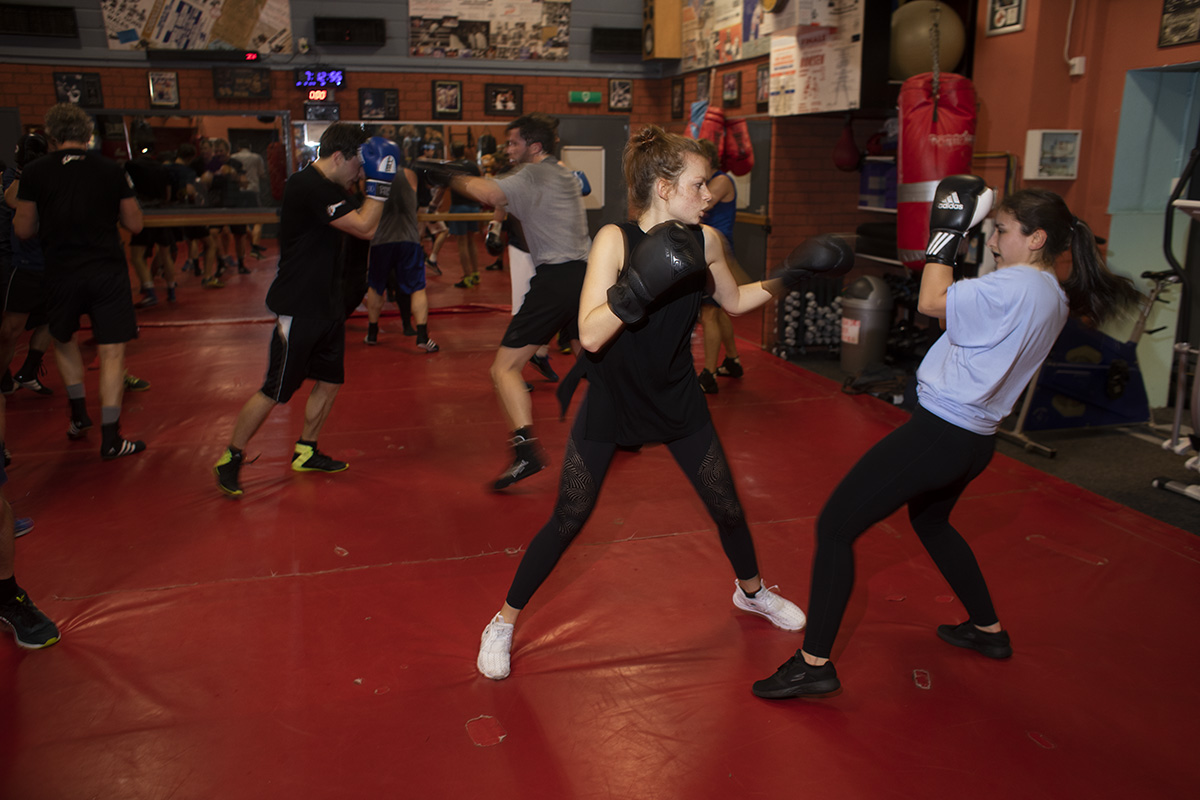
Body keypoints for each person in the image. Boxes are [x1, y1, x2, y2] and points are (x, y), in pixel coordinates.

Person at [474, 125, 854, 680]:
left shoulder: (706, 242)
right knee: (571, 513)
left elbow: (736, 301)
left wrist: (791, 276)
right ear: (663, 186)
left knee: (725, 502)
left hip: (677, 397)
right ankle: (504, 621)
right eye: (699, 186)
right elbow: (591, 333)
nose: (710, 196)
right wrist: (639, 286)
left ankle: (751, 593)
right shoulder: (614, 240)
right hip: (613, 398)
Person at [751, 180, 1143, 700]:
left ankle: (813, 663)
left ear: (1036, 238)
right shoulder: (1050, 294)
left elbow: (932, 300)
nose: (994, 237)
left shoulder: (1015, 286)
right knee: (931, 522)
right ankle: (988, 631)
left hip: (942, 432)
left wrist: (945, 232)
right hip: (975, 441)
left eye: (1002, 230)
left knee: (835, 527)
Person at [212, 125, 398, 497]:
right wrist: (382, 182)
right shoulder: (307, 186)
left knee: (330, 380)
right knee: (276, 389)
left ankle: (306, 450)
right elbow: (365, 227)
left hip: (327, 302)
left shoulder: (333, 189)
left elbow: (368, 228)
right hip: (299, 305)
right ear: (339, 157)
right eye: (359, 165)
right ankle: (230, 457)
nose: (361, 173)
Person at [419, 113, 591, 490]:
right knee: (586, 354)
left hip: (558, 278)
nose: (508, 150)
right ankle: (626, 422)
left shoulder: (533, 173)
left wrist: (448, 176)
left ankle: (526, 453)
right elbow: (504, 198)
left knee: (504, 369)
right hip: (586, 275)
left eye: (514, 143)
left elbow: (491, 194)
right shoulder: (562, 172)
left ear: (535, 146)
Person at [13, 103, 147, 460]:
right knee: (112, 353)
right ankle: (111, 438)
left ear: (52, 136)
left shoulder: (35, 172)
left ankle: (78, 415)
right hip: (106, 270)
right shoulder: (109, 168)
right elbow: (135, 224)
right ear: (88, 135)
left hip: (61, 269)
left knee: (64, 340)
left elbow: (23, 228)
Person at [365, 151, 438, 353]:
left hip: (381, 241)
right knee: (417, 288)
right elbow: (416, 201)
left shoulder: (371, 176)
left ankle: (372, 333)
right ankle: (422, 335)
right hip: (408, 240)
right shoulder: (409, 174)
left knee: (376, 285)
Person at [1, 134, 55, 400]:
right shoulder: (13, 175)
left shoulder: (54, 175)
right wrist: (25, 171)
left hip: (53, 263)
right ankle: (2, 381)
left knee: (53, 320)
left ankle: (29, 370)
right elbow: (11, 200)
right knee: (11, 329)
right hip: (24, 264)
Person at [695, 138, 742, 394]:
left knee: (708, 313)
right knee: (719, 310)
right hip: (710, 249)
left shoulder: (721, 181)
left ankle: (709, 375)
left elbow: (702, 203)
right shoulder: (707, 181)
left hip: (718, 251)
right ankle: (733, 361)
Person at [446, 142, 483, 289]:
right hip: (473, 207)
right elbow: (481, 184)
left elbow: (443, 188)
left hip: (459, 207)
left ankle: (467, 277)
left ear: (451, 152)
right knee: (471, 241)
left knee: (462, 243)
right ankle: (475, 273)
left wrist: (432, 206)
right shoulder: (473, 165)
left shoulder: (451, 166)